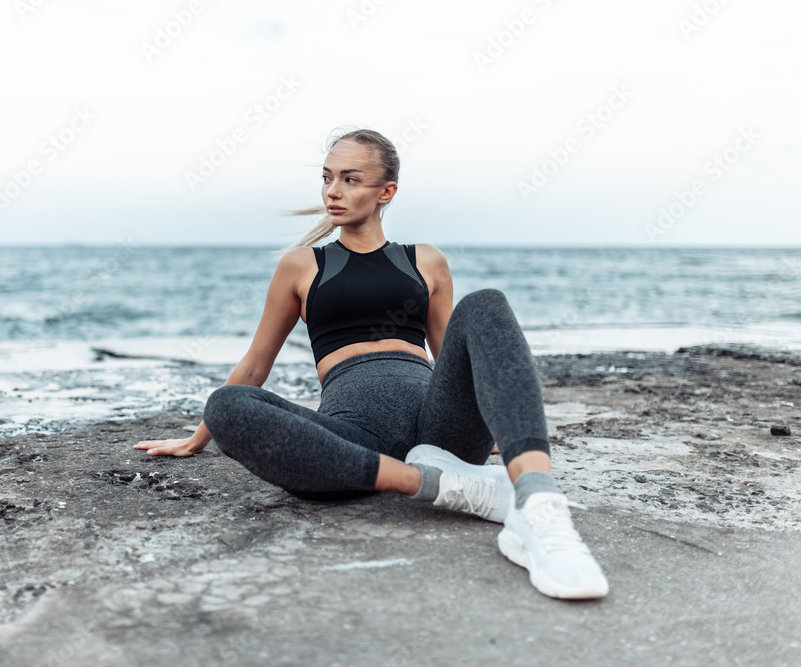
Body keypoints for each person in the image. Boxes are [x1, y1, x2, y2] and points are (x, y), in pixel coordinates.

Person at [134, 129, 608, 599]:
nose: (332, 191)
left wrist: (501, 432)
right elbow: (257, 363)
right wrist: (199, 439)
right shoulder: (302, 265)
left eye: (350, 179)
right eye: (327, 178)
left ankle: (537, 502)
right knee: (227, 405)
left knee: (486, 304)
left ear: (387, 192)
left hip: (438, 430)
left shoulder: (424, 260)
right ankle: (437, 486)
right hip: (353, 439)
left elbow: (455, 360)